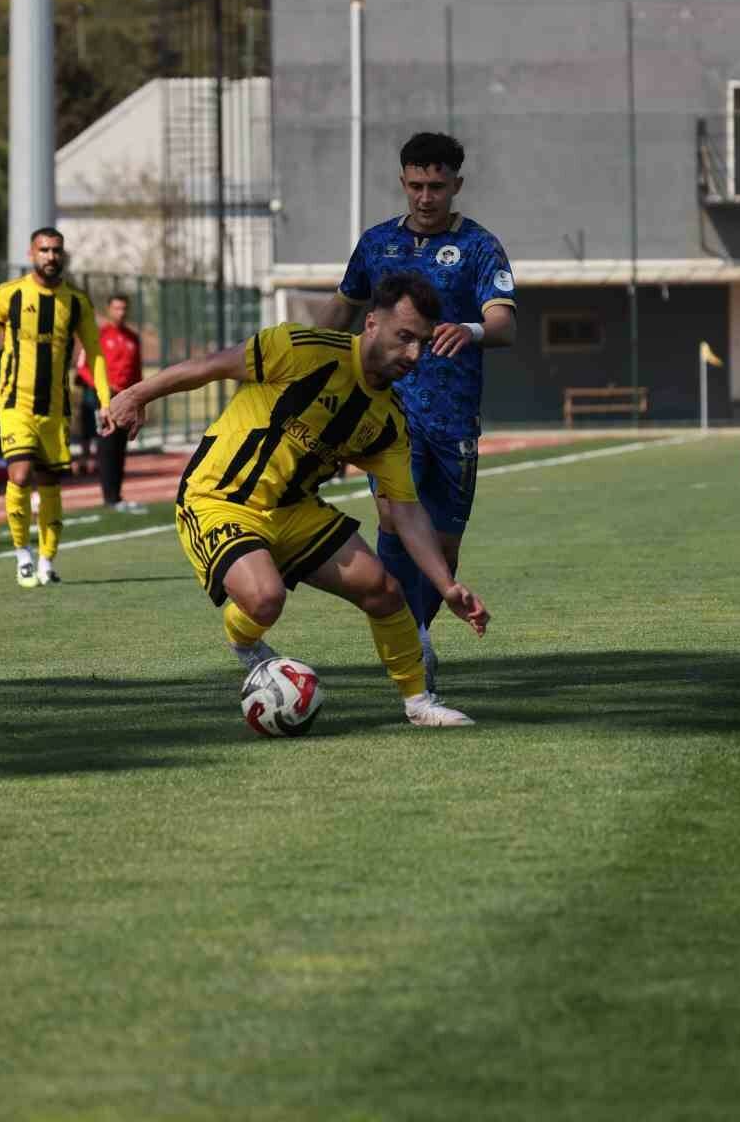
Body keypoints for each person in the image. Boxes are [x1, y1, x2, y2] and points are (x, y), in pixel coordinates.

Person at [107, 271, 490, 728]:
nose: (413, 355)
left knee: (385, 591)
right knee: (265, 598)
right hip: (219, 496)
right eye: (404, 337)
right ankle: (243, 640)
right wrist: (135, 395)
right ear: (372, 324)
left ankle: (419, 703)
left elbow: (405, 509)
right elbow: (210, 366)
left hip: (294, 510)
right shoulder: (303, 349)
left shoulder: (388, 421)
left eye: (422, 343)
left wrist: (445, 585)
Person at [316, 132, 516, 694]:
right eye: (415, 185)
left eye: (436, 186)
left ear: (456, 185)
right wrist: (309, 351)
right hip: (387, 408)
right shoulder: (377, 243)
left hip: (453, 414)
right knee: (393, 519)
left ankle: (419, 625)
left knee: (443, 545)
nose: (426, 197)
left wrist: (470, 329)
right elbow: (341, 309)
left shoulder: (479, 246)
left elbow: (505, 324)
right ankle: (412, 641)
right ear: (403, 182)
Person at [0, 228, 111, 588]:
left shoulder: (76, 302)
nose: (51, 256)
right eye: (44, 250)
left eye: (56, 250)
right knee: (19, 475)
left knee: (50, 483)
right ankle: (23, 555)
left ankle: (47, 561)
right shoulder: (8, 294)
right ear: (31, 254)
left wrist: (106, 401)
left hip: (56, 409)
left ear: (63, 255)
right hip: (15, 403)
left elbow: (94, 353)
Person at [78, 293, 145, 513]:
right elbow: (83, 368)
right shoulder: (99, 335)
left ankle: (117, 495)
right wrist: (103, 389)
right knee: (106, 445)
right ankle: (109, 497)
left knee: (120, 447)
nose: (121, 312)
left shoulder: (133, 338)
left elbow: (137, 372)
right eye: (116, 308)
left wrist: (140, 399)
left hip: (126, 400)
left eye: (124, 308)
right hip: (105, 400)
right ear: (109, 309)